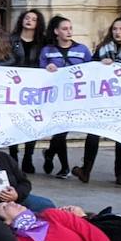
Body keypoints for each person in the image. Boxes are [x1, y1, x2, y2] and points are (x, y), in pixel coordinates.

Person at [72, 15, 121, 186]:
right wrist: (100, 63)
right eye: (115, 29)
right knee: (93, 133)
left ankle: (119, 173)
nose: (117, 32)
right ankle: (86, 170)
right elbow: (89, 69)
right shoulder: (103, 48)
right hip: (102, 100)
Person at [38, 15, 93, 179]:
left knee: (62, 131)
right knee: (60, 131)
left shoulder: (82, 50)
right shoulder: (47, 51)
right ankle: (64, 167)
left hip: (75, 97)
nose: (69, 32)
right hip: (55, 97)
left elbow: (91, 70)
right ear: (56, 31)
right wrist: (48, 67)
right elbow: (40, 71)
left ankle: (49, 154)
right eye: (64, 28)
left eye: (70, 28)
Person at [8, 9, 47, 173]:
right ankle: (13, 156)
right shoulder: (12, 40)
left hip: (34, 87)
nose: (29, 21)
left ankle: (28, 156)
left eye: (33, 19)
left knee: (32, 121)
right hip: (14, 85)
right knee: (14, 120)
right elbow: (6, 59)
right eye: (27, 18)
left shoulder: (42, 42)